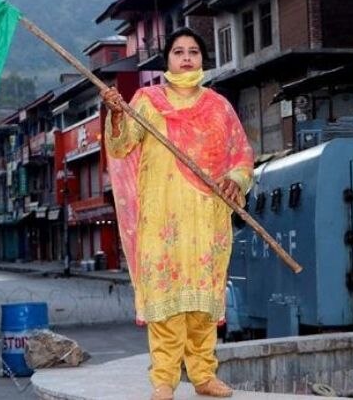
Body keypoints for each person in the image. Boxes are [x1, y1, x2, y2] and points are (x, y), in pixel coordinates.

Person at [102, 27, 254, 400]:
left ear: (203, 59)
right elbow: (121, 147)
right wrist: (117, 115)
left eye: (193, 52)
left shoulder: (219, 107)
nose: (186, 58)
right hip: (162, 218)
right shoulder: (147, 101)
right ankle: (164, 381)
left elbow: (241, 155)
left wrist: (236, 178)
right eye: (178, 52)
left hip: (206, 218)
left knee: (202, 304)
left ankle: (204, 376)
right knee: (167, 304)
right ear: (167, 60)